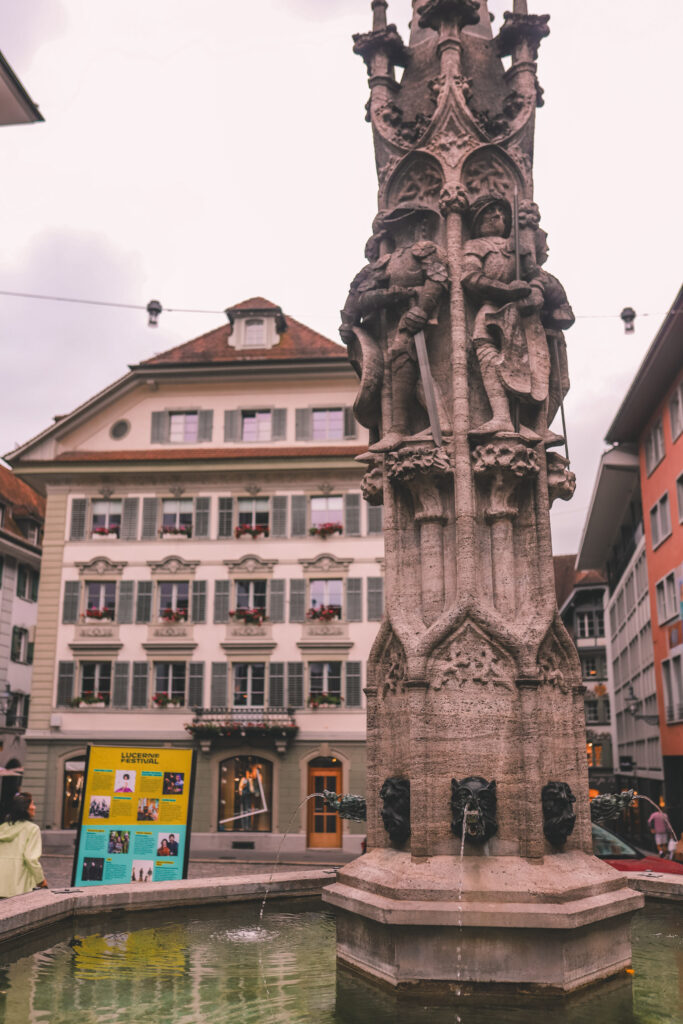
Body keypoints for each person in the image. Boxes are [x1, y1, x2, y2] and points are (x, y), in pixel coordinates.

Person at [0, 792, 48, 897]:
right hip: (18, 885)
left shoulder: (2, 828)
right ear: (25, 808)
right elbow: (30, 858)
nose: (34, 807)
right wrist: (40, 880)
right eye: (32, 804)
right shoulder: (32, 829)